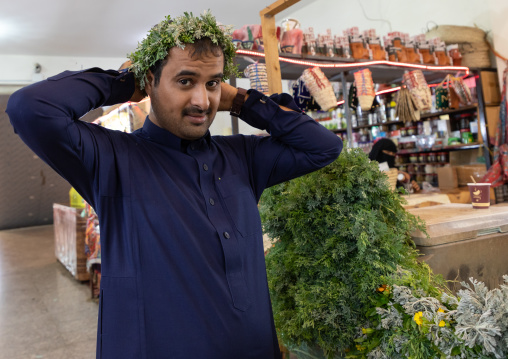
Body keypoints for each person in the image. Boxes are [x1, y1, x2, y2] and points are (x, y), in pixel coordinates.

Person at [6, 11, 342, 359]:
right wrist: (124, 84)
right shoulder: (112, 159)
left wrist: (241, 101)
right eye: (185, 81)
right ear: (151, 81)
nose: (202, 101)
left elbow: (324, 147)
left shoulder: (243, 157)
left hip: (253, 347)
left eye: (212, 83)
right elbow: (29, 109)